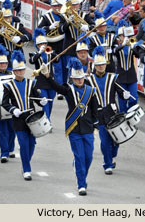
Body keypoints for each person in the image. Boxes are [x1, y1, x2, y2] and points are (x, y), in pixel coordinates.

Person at [40, 57, 98, 196]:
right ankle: (81, 183)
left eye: (82, 78)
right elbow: (56, 87)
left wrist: (96, 125)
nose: (80, 80)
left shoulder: (91, 91)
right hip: (74, 128)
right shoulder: (68, 89)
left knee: (88, 157)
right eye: (77, 78)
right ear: (72, 78)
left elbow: (95, 110)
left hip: (88, 128)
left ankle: (81, 174)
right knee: (79, 156)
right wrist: (47, 76)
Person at [1, 50, 47, 181]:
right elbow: (4, 103)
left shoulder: (30, 82)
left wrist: (42, 101)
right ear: (14, 72)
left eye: (22, 70)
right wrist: (12, 109)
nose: (21, 72)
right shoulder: (8, 85)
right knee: (23, 143)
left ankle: (26, 162)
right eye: (18, 70)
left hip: (32, 118)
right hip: (18, 119)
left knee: (32, 143)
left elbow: (36, 98)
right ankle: (26, 168)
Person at [87, 46, 130, 174]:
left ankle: (111, 157)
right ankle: (107, 164)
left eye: (103, 64)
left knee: (116, 140)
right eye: (99, 65)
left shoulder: (113, 78)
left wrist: (125, 94)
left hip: (112, 113)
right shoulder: (89, 80)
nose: (101, 67)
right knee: (105, 140)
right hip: (99, 114)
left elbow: (120, 91)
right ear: (95, 65)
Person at [58, 0, 94, 83]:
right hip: (70, 48)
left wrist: (87, 28)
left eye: (76, 5)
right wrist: (68, 22)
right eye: (73, 5)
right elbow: (60, 30)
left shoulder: (84, 15)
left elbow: (94, 26)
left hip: (82, 48)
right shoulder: (64, 16)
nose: (75, 7)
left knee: (83, 72)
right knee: (71, 72)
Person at [0, 0, 32, 71]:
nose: (8, 19)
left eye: (9, 17)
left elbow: (29, 36)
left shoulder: (18, 25)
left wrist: (20, 38)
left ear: (12, 16)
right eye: (5, 18)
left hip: (17, 54)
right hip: (5, 55)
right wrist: (2, 34)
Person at [38, 0, 65, 95]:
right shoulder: (46, 17)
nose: (57, 8)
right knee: (54, 66)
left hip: (62, 41)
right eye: (54, 6)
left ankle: (63, 87)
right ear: (51, 7)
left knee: (63, 66)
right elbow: (39, 29)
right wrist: (48, 28)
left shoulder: (64, 14)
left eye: (58, 6)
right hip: (51, 43)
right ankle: (56, 87)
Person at [29, 28, 57, 120]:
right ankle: (47, 121)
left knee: (51, 102)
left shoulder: (49, 52)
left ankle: (47, 119)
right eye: (40, 44)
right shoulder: (34, 53)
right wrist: (39, 52)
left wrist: (53, 54)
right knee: (45, 102)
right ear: (37, 45)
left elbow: (57, 60)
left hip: (51, 80)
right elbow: (32, 61)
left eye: (44, 44)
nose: (42, 45)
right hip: (41, 82)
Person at [114, 20, 138, 113]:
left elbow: (138, 55)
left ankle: (130, 115)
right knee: (122, 102)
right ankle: (124, 120)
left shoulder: (131, 45)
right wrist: (123, 44)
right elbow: (115, 51)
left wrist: (132, 46)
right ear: (119, 37)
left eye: (125, 35)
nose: (124, 37)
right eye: (122, 36)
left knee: (134, 99)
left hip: (131, 76)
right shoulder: (118, 46)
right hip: (121, 77)